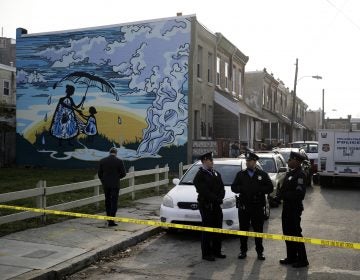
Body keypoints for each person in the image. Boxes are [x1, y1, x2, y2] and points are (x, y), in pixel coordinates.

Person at [231, 152, 273, 260]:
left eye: (249, 161)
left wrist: (259, 190)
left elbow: (270, 188)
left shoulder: (262, 174)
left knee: (258, 230)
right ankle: (243, 251)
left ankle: (260, 252)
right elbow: (233, 187)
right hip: (244, 207)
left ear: (254, 162)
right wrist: (242, 189)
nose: (247, 163)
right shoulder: (241, 174)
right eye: (246, 161)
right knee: (243, 230)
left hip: (257, 207)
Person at [278, 151, 309, 268]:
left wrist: (284, 195)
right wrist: (279, 196)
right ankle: (291, 257)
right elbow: (284, 189)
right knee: (287, 232)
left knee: (296, 233)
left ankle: (302, 259)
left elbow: (299, 194)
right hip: (287, 208)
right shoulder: (290, 173)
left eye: (290, 160)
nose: (288, 161)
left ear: (296, 161)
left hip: (294, 209)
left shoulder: (300, 175)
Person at [193, 152, 226, 261]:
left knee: (218, 228)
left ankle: (217, 251)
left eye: (212, 160)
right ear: (204, 161)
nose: (212, 162)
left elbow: (222, 187)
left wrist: (221, 197)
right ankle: (206, 253)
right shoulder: (200, 175)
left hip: (216, 205)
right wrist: (216, 198)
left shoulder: (216, 173)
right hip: (206, 205)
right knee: (207, 230)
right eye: (210, 160)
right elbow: (204, 191)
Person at [98, 147, 126, 227]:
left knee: (107, 201)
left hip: (106, 185)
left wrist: (104, 180)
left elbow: (99, 174)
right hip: (115, 184)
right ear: (116, 153)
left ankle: (108, 217)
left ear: (109, 152)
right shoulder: (119, 161)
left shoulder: (102, 161)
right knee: (114, 202)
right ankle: (111, 221)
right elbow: (124, 174)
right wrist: (117, 178)